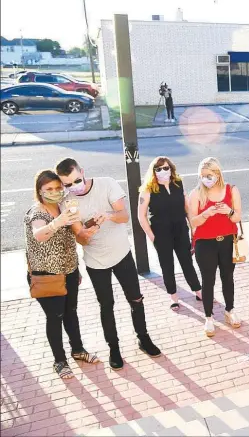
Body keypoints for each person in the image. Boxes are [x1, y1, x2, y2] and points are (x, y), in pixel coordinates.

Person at [55, 158, 162, 370]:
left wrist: (109, 215)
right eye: (67, 184)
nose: (73, 187)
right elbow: (80, 237)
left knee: (136, 299)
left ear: (82, 172)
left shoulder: (107, 183)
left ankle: (143, 338)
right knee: (106, 305)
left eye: (76, 180)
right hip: (96, 262)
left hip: (122, 253)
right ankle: (114, 347)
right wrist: (87, 232)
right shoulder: (67, 201)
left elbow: (124, 216)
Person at [24, 170, 100, 380]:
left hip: (69, 271)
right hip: (47, 276)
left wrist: (89, 226)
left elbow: (75, 236)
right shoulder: (37, 213)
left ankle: (78, 350)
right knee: (55, 317)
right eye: (49, 189)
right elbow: (39, 235)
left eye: (58, 188)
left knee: (71, 312)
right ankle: (60, 360)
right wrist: (59, 221)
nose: (55, 192)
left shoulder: (64, 207)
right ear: (39, 190)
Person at [138, 156, 202, 311]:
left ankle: (199, 291)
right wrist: (152, 236)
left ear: (171, 169)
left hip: (180, 230)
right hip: (161, 233)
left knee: (187, 262)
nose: (162, 171)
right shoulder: (147, 190)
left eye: (166, 168)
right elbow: (141, 216)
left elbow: (187, 208)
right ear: (153, 171)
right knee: (167, 266)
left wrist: (193, 229)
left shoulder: (178, 184)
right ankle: (173, 297)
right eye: (158, 169)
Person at [188, 157, 243, 337]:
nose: (206, 179)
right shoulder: (196, 194)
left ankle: (230, 310)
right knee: (208, 280)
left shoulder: (232, 190)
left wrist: (228, 211)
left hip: (227, 241)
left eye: (209, 175)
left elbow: (237, 218)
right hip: (205, 243)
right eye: (203, 175)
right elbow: (193, 221)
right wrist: (205, 214)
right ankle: (209, 318)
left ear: (218, 174)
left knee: (228, 277)